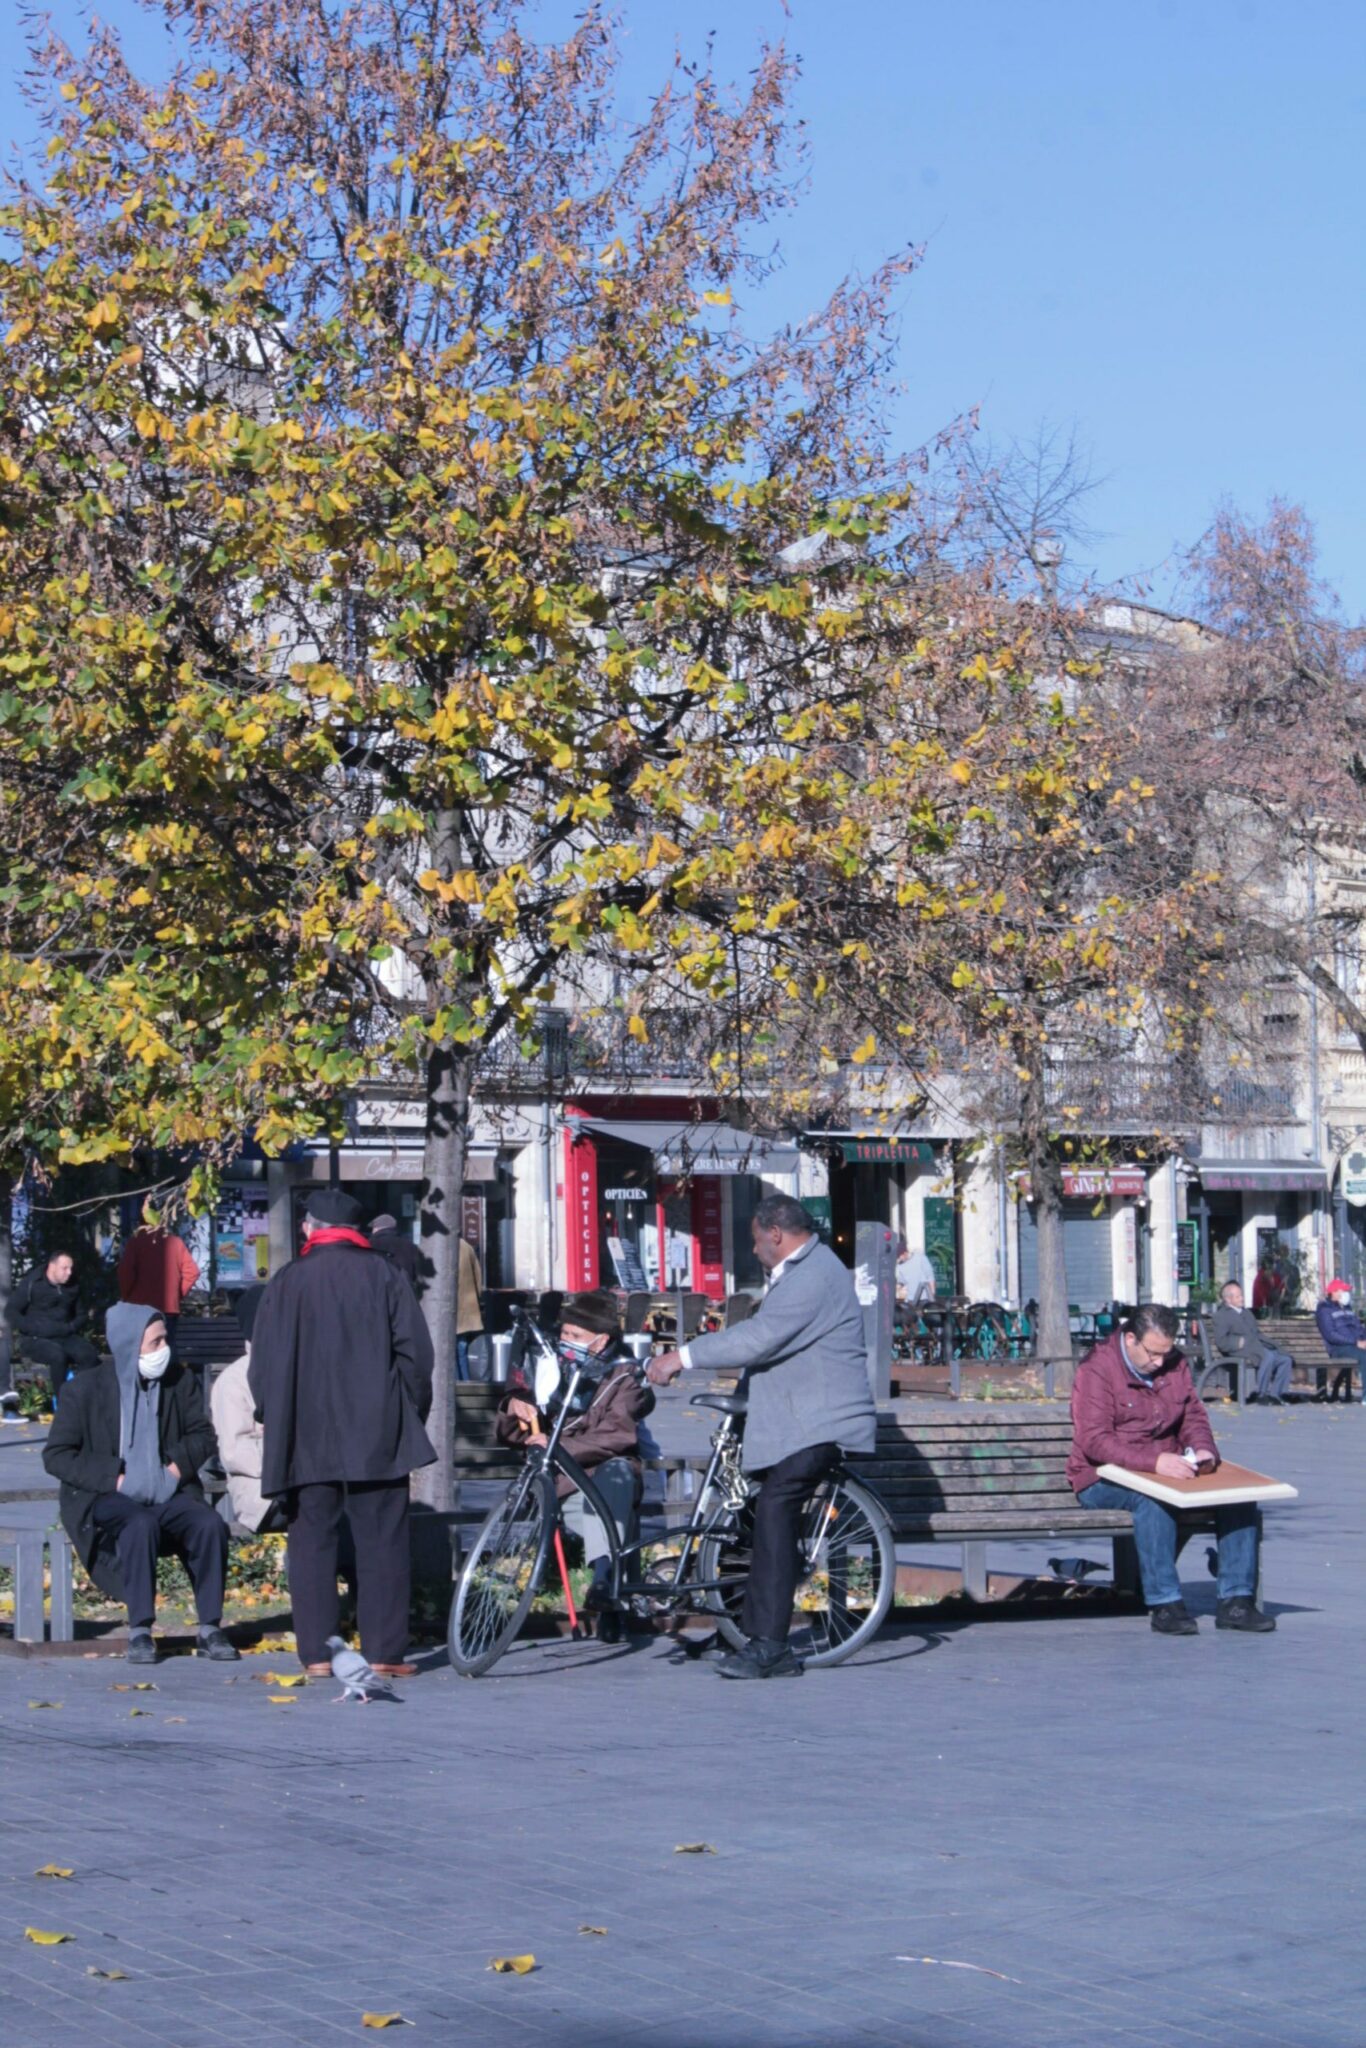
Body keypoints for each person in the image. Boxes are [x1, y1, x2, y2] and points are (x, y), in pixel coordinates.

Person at [649, 1193, 877, 1680]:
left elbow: (760, 1337)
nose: (752, 1250)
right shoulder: (801, 1271)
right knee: (747, 1514)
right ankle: (737, 1626)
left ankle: (771, 1647)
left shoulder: (814, 1276)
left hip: (820, 1425)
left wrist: (680, 1358)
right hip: (795, 1423)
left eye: (754, 1240)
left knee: (774, 1508)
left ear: (776, 1234)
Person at [248, 1187, 435, 1679]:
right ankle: (384, 1651)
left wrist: (273, 1414)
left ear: (311, 1228)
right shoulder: (384, 1274)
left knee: (311, 1542)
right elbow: (416, 1356)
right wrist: (409, 1412)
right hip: (376, 1428)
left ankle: (317, 1654)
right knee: (382, 1543)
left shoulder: (287, 1281)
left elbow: (261, 1365)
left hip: (304, 1432)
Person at [42, 1303, 236, 1664]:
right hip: (106, 1496)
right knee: (139, 1523)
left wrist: (175, 1469)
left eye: (165, 1340)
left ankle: (211, 1626)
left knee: (208, 1524)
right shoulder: (84, 1390)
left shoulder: (179, 1383)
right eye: (155, 1342)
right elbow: (57, 1455)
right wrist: (113, 1477)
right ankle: (140, 1630)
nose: (164, 1349)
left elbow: (202, 1434)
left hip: (168, 1490)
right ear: (131, 1345)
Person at [1066, 1303, 1273, 1636]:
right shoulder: (1097, 1369)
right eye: (1152, 1354)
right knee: (1151, 1501)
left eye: (1166, 1353)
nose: (1160, 1362)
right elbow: (1094, 1441)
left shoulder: (1173, 1364)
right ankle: (1165, 1604)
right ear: (1130, 1338)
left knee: (1239, 1498)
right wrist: (1154, 1462)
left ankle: (1237, 1601)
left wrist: (1204, 1448)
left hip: (1167, 1470)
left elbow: (1192, 1415)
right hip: (1102, 1477)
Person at [496, 1290, 654, 1640]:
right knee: (616, 1514)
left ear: (601, 1342)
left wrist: (557, 1446)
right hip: (561, 1482)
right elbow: (511, 1431)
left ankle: (603, 1582)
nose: (566, 1341)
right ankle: (612, 1590)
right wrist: (512, 1409)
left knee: (617, 1478)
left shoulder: (624, 1376)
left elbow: (617, 1436)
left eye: (576, 1336)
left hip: (605, 1477)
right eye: (564, 1333)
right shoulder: (548, 1366)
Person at [209, 1285, 283, 1534]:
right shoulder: (233, 1381)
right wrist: (288, 1450)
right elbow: (234, 1452)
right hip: (261, 1494)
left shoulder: (300, 1367)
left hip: (303, 1483)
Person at [5, 1251, 99, 1408]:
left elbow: (81, 1314)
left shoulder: (72, 1286)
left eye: (71, 1268)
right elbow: (11, 1311)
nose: (69, 1272)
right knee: (57, 1355)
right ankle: (63, 1404)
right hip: (35, 1339)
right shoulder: (33, 1283)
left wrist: (71, 1327)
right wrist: (30, 1328)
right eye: (64, 1268)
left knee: (88, 1354)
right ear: (52, 1266)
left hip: (64, 1334)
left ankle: (83, 1401)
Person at [116, 1206, 201, 1353]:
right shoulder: (175, 1242)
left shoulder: (136, 1242)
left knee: (140, 1350)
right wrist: (175, 1295)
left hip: (140, 1307)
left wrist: (126, 1297)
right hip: (168, 1309)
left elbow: (126, 1273)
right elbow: (192, 1272)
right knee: (167, 1349)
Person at [1211, 1280, 1293, 1405]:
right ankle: (1261, 1394)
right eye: (1238, 1296)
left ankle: (1276, 1394)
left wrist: (1271, 1343)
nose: (1242, 1298)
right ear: (1228, 1299)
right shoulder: (1221, 1315)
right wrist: (1239, 1342)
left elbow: (1256, 1333)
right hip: (1240, 1351)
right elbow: (1222, 1341)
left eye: (1241, 1295)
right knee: (1267, 1356)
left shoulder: (1246, 1312)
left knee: (1285, 1359)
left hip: (1256, 1347)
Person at [1313, 1279, 1366, 1402]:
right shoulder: (1324, 1310)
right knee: (1364, 1357)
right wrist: (1356, 1342)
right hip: (1338, 1348)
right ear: (1334, 1292)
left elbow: (1358, 1328)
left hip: (1355, 1345)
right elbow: (1331, 1335)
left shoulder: (1348, 1308)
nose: (1346, 1293)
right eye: (1343, 1290)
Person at [369, 1213, 422, 1291]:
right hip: (404, 1292)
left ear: (377, 1228)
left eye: (373, 1228)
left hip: (378, 1292)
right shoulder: (410, 1246)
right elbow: (416, 1272)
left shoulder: (370, 1244)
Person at [456, 1235, 484, 1380]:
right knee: (462, 1350)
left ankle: (458, 1382)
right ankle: (466, 1381)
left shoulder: (446, 1247)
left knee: (452, 1352)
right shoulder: (467, 1247)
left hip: (454, 1309)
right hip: (466, 1307)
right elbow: (478, 1278)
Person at [895, 1239, 936, 1304]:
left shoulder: (920, 1258)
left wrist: (932, 1295)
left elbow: (930, 1275)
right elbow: (902, 1281)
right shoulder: (900, 1266)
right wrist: (898, 1287)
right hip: (910, 1299)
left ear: (905, 1253)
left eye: (900, 1257)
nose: (899, 1259)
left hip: (924, 1298)